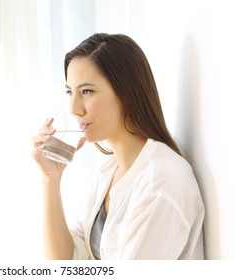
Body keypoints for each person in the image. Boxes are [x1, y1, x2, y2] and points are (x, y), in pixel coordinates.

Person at [31, 33, 205, 260]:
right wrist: (50, 180)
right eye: (69, 92)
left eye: (87, 91)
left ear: (126, 93)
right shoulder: (109, 171)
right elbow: (67, 262)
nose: (74, 108)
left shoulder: (162, 181)